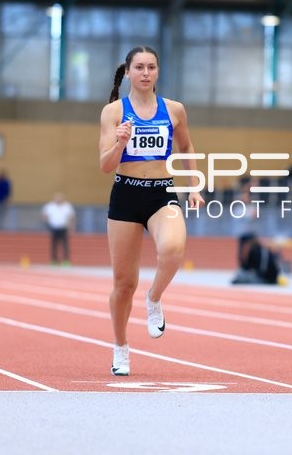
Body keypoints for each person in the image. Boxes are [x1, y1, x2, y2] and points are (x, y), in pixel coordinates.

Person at [99, 46, 204, 376]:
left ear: (158, 72)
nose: (146, 73)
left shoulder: (174, 110)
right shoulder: (113, 112)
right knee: (123, 283)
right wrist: (119, 143)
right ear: (128, 72)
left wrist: (195, 185)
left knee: (173, 250)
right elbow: (104, 166)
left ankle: (155, 297)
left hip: (162, 193)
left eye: (151, 67)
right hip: (126, 196)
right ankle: (120, 347)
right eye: (139, 67)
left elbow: (185, 145)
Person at [41, 192, 75, 265]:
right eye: (57, 198)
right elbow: (44, 215)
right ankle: (54, 260)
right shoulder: (50, 206)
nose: (59, 199)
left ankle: (66, 260)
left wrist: (71, 226)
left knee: (65, 245)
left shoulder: (67, 206)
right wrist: (47, 224)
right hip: (54, 228)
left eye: (60, 198)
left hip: (63, 228)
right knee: (54, 245)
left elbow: (71, 217)